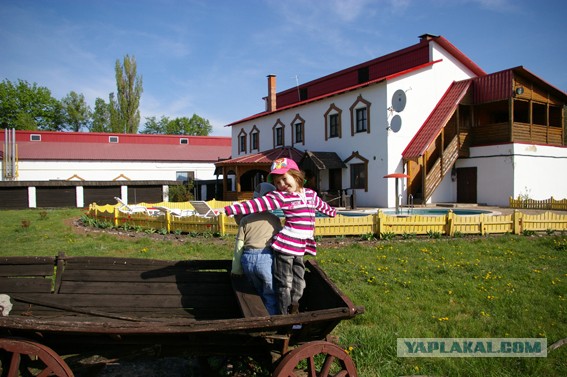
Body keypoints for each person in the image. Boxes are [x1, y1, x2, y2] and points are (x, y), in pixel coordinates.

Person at [224, 158, 336, 315]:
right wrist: (231, 209)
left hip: (300, 247)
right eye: (277, 182)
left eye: (284, 179)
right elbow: (258, 204)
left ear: (296, 176)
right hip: (285, 246)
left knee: (299, 282)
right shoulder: (281, 197)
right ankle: (284, 315)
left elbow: (322, 206)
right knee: (284, 282)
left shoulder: (310, 194)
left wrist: (332, 212)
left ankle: (294, 307)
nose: (282, 185)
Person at [231, 182, 282, 315]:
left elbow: (239, 246)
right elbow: (280, 241)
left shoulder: (246, 220)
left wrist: (236, 268)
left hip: (247, 258)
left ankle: (257, 317)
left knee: (255, 292)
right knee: (270, 292)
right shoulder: (274, 220)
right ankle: (271, 320)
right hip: (266, 257)